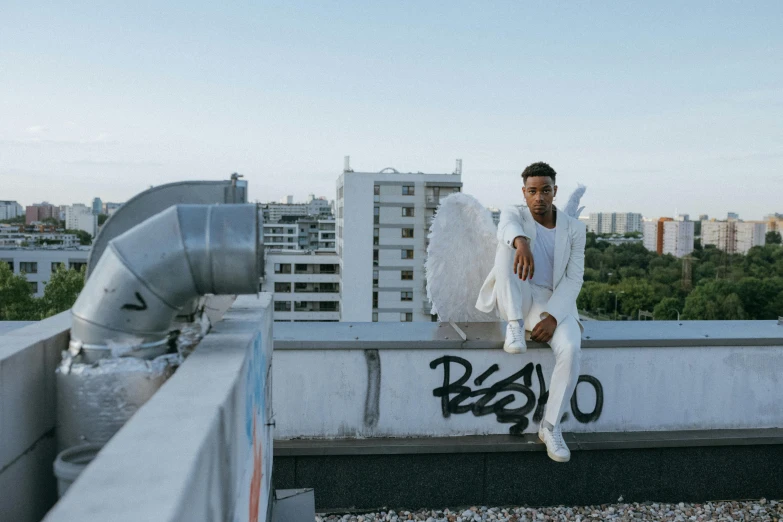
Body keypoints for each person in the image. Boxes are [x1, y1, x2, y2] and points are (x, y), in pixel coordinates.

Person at [475, 161, 586, 462]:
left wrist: (553, 317)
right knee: (506, 244)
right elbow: (507, 226)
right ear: (524, 193)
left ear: (555, 192)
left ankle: (550, 427)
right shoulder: (515, 214)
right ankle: (514, 325)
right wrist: (521, 242)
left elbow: (574, 278)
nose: (539, 197)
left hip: (552, 302)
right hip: (520, 295)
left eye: (546, 190)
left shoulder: (575, 228)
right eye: (533, 191)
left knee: (572, 349)